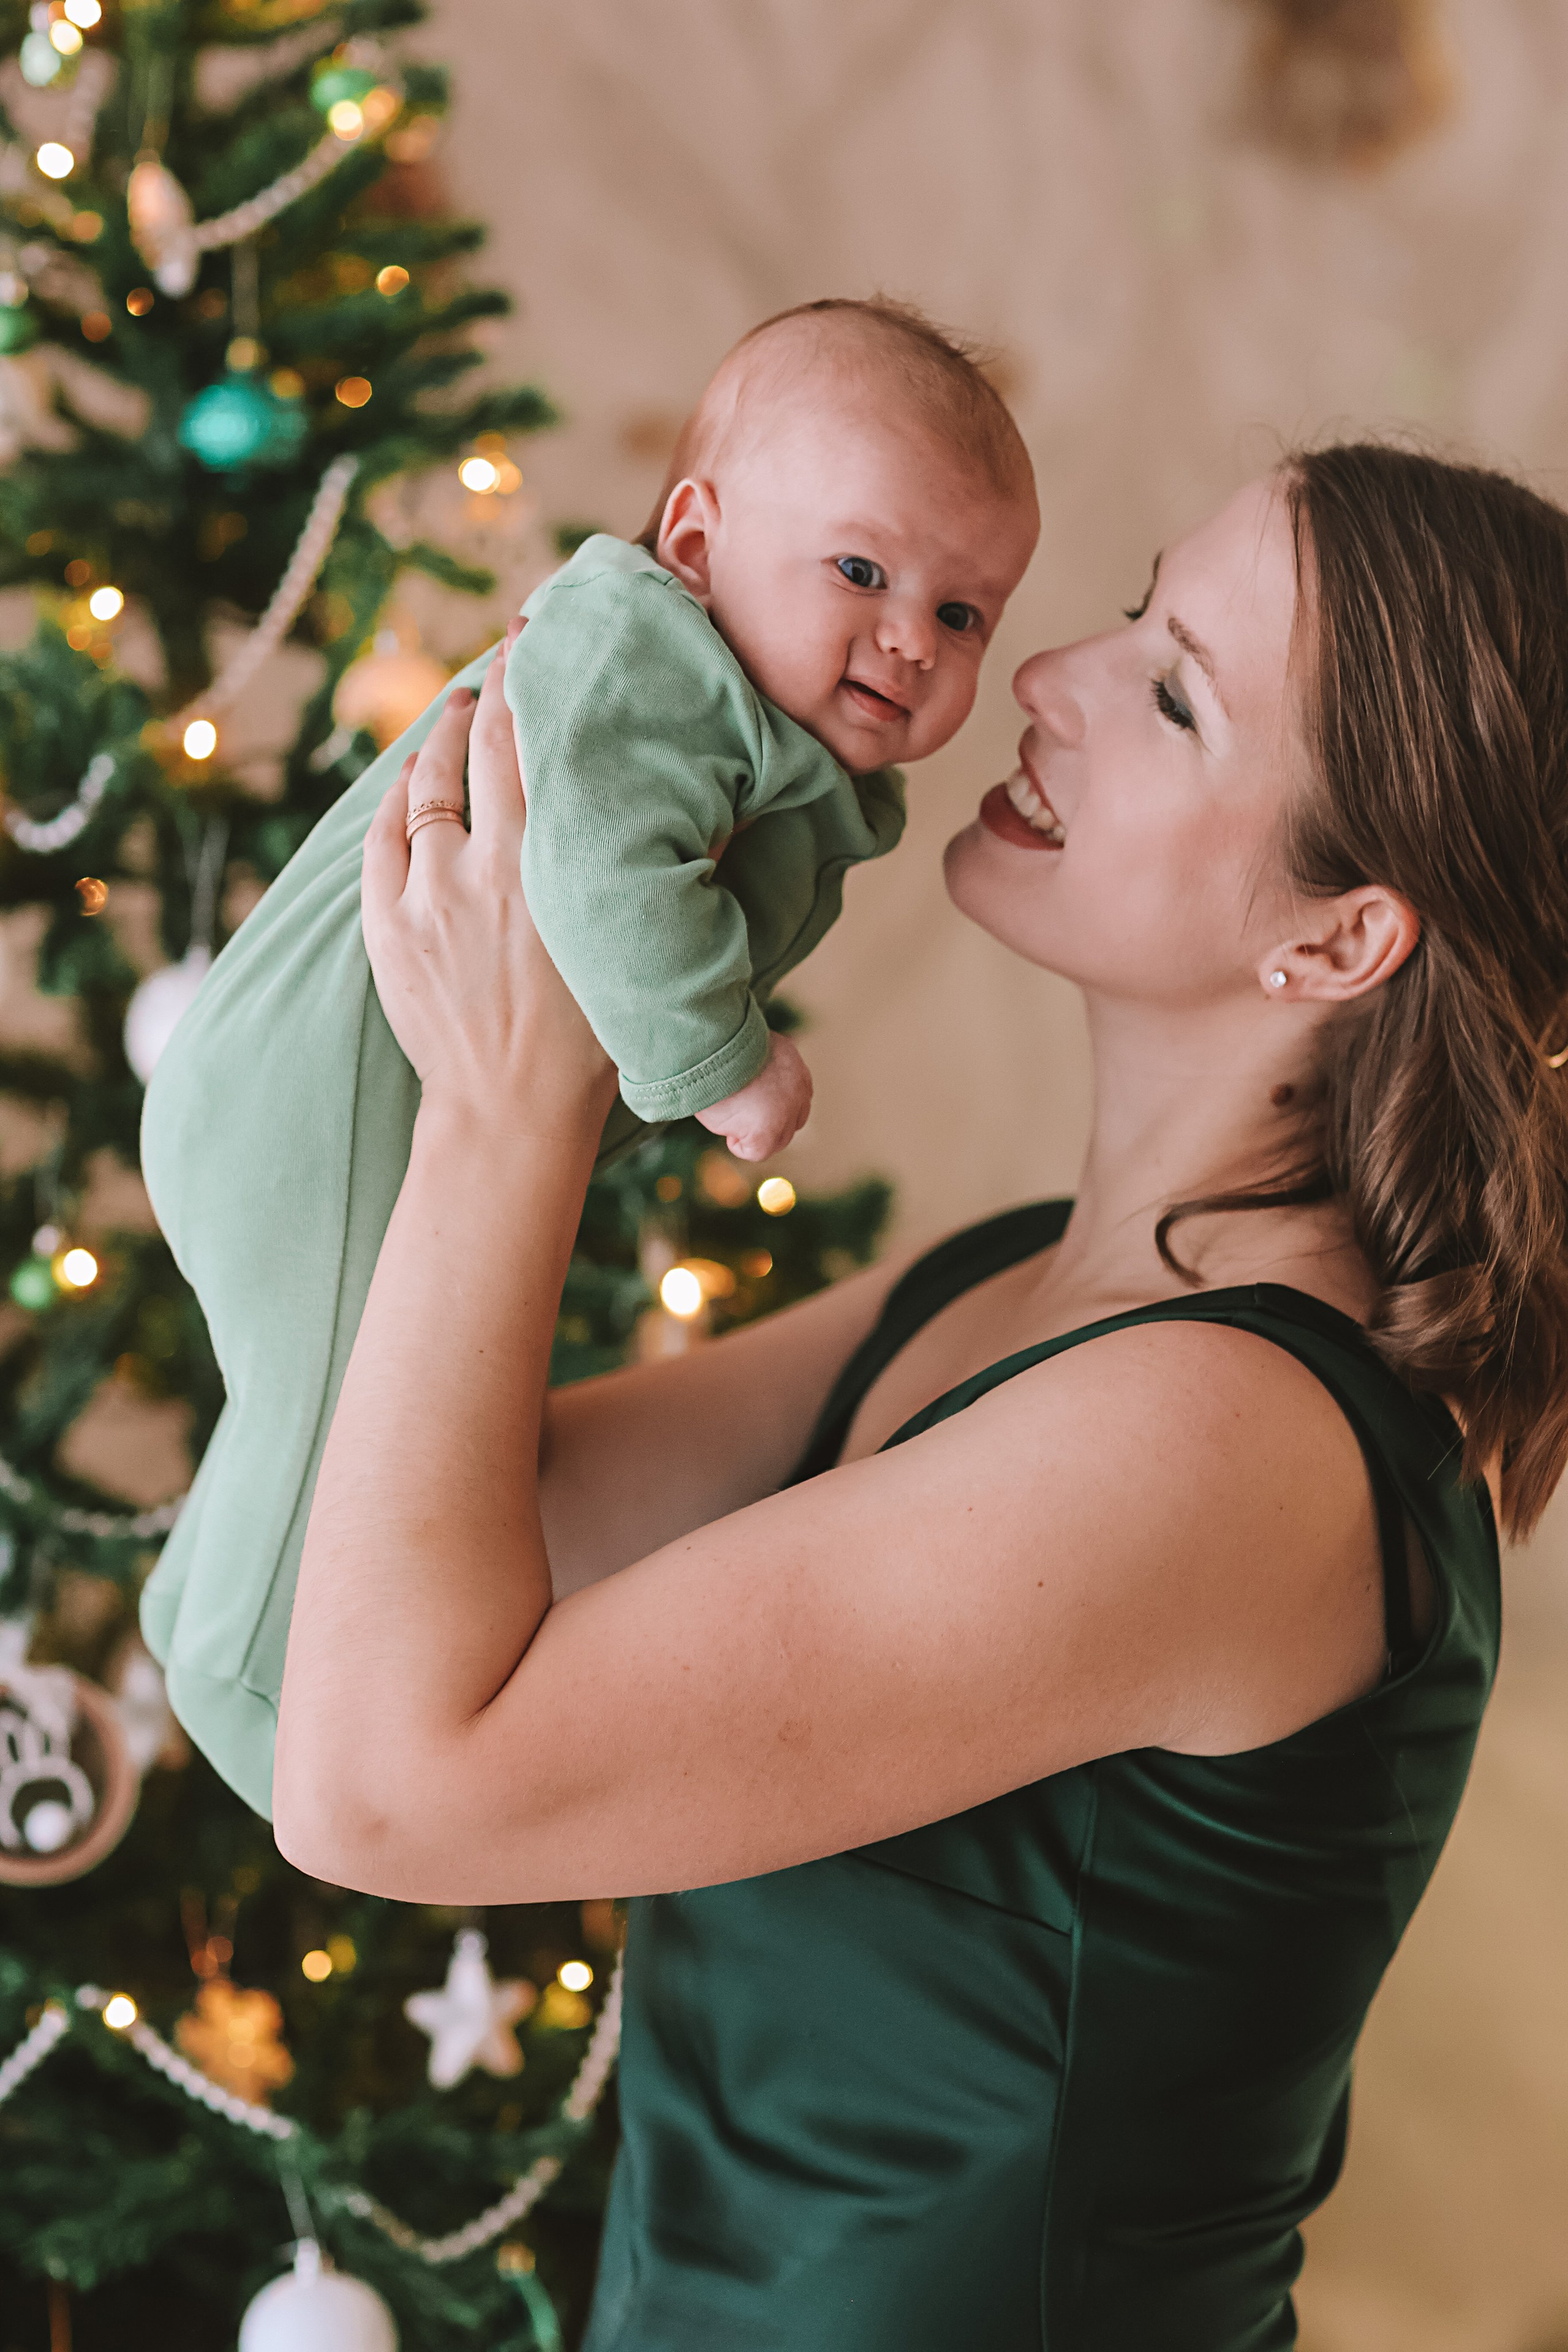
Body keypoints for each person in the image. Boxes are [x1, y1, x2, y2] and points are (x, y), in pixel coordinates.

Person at [273, 443, 1568, 2349]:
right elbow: (427, 1535)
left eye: (1174, 691)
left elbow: (384, 1789)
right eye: (1135, 611)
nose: (1049, 678)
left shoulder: (1226, 1445)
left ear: (1338, 938)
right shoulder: (1013, 1280)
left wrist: (510, 1105)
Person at [138, 298, 1038, 1815]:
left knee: (321, 1403)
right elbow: (602, 869)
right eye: (862, 570)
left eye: (961, 614)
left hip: (359, 1095)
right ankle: (253, 1698)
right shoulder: (652, 662)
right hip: (324, 1095)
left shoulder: (741, 711)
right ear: (693, 543)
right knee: (352, 1403)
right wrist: (723, 1059)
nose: (909, 637)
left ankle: (195, 1611)